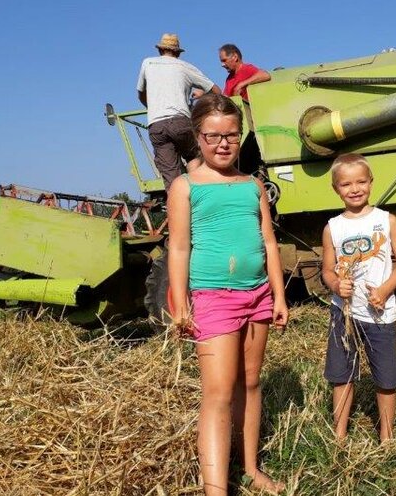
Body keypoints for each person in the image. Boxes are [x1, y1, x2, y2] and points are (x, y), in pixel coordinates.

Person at [167, 93, 288, 495]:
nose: (223, 143)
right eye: (213, 135)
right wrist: (181, 302)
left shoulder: (253, 186)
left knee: (251, 383)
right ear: (197, 137)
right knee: (218, 393)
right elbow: (179, 247)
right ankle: (215, 488)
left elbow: (269, 242)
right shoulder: (185, 187)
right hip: (213, 298)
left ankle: (251, 468)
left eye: (231, 135)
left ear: (241, 136)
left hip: (257, 297)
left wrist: (279, 297)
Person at [321, 153, 396, 443]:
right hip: (344, 314)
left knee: (386, 378)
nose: (355, 188)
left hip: (380, 314)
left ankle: (386, 437)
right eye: (346, 184)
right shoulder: (333, 227)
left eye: (361, 181)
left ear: (371, 183)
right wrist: (336, 285)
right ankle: (340, 436)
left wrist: (385, 290)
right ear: (336, 189)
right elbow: (326, 270)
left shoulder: (386, 221)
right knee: (341, 374)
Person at [137, 33, 222, 191]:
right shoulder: (185, 66)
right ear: (177, 52)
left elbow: (141, 93)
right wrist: (203, 96)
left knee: (171, 176)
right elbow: (217, 91)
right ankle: (201, 192)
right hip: (180, 123)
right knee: (194, 155)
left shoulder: (147, 63)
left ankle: (178, 205)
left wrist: (153, 107)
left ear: (160, 50)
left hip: (156, 125)